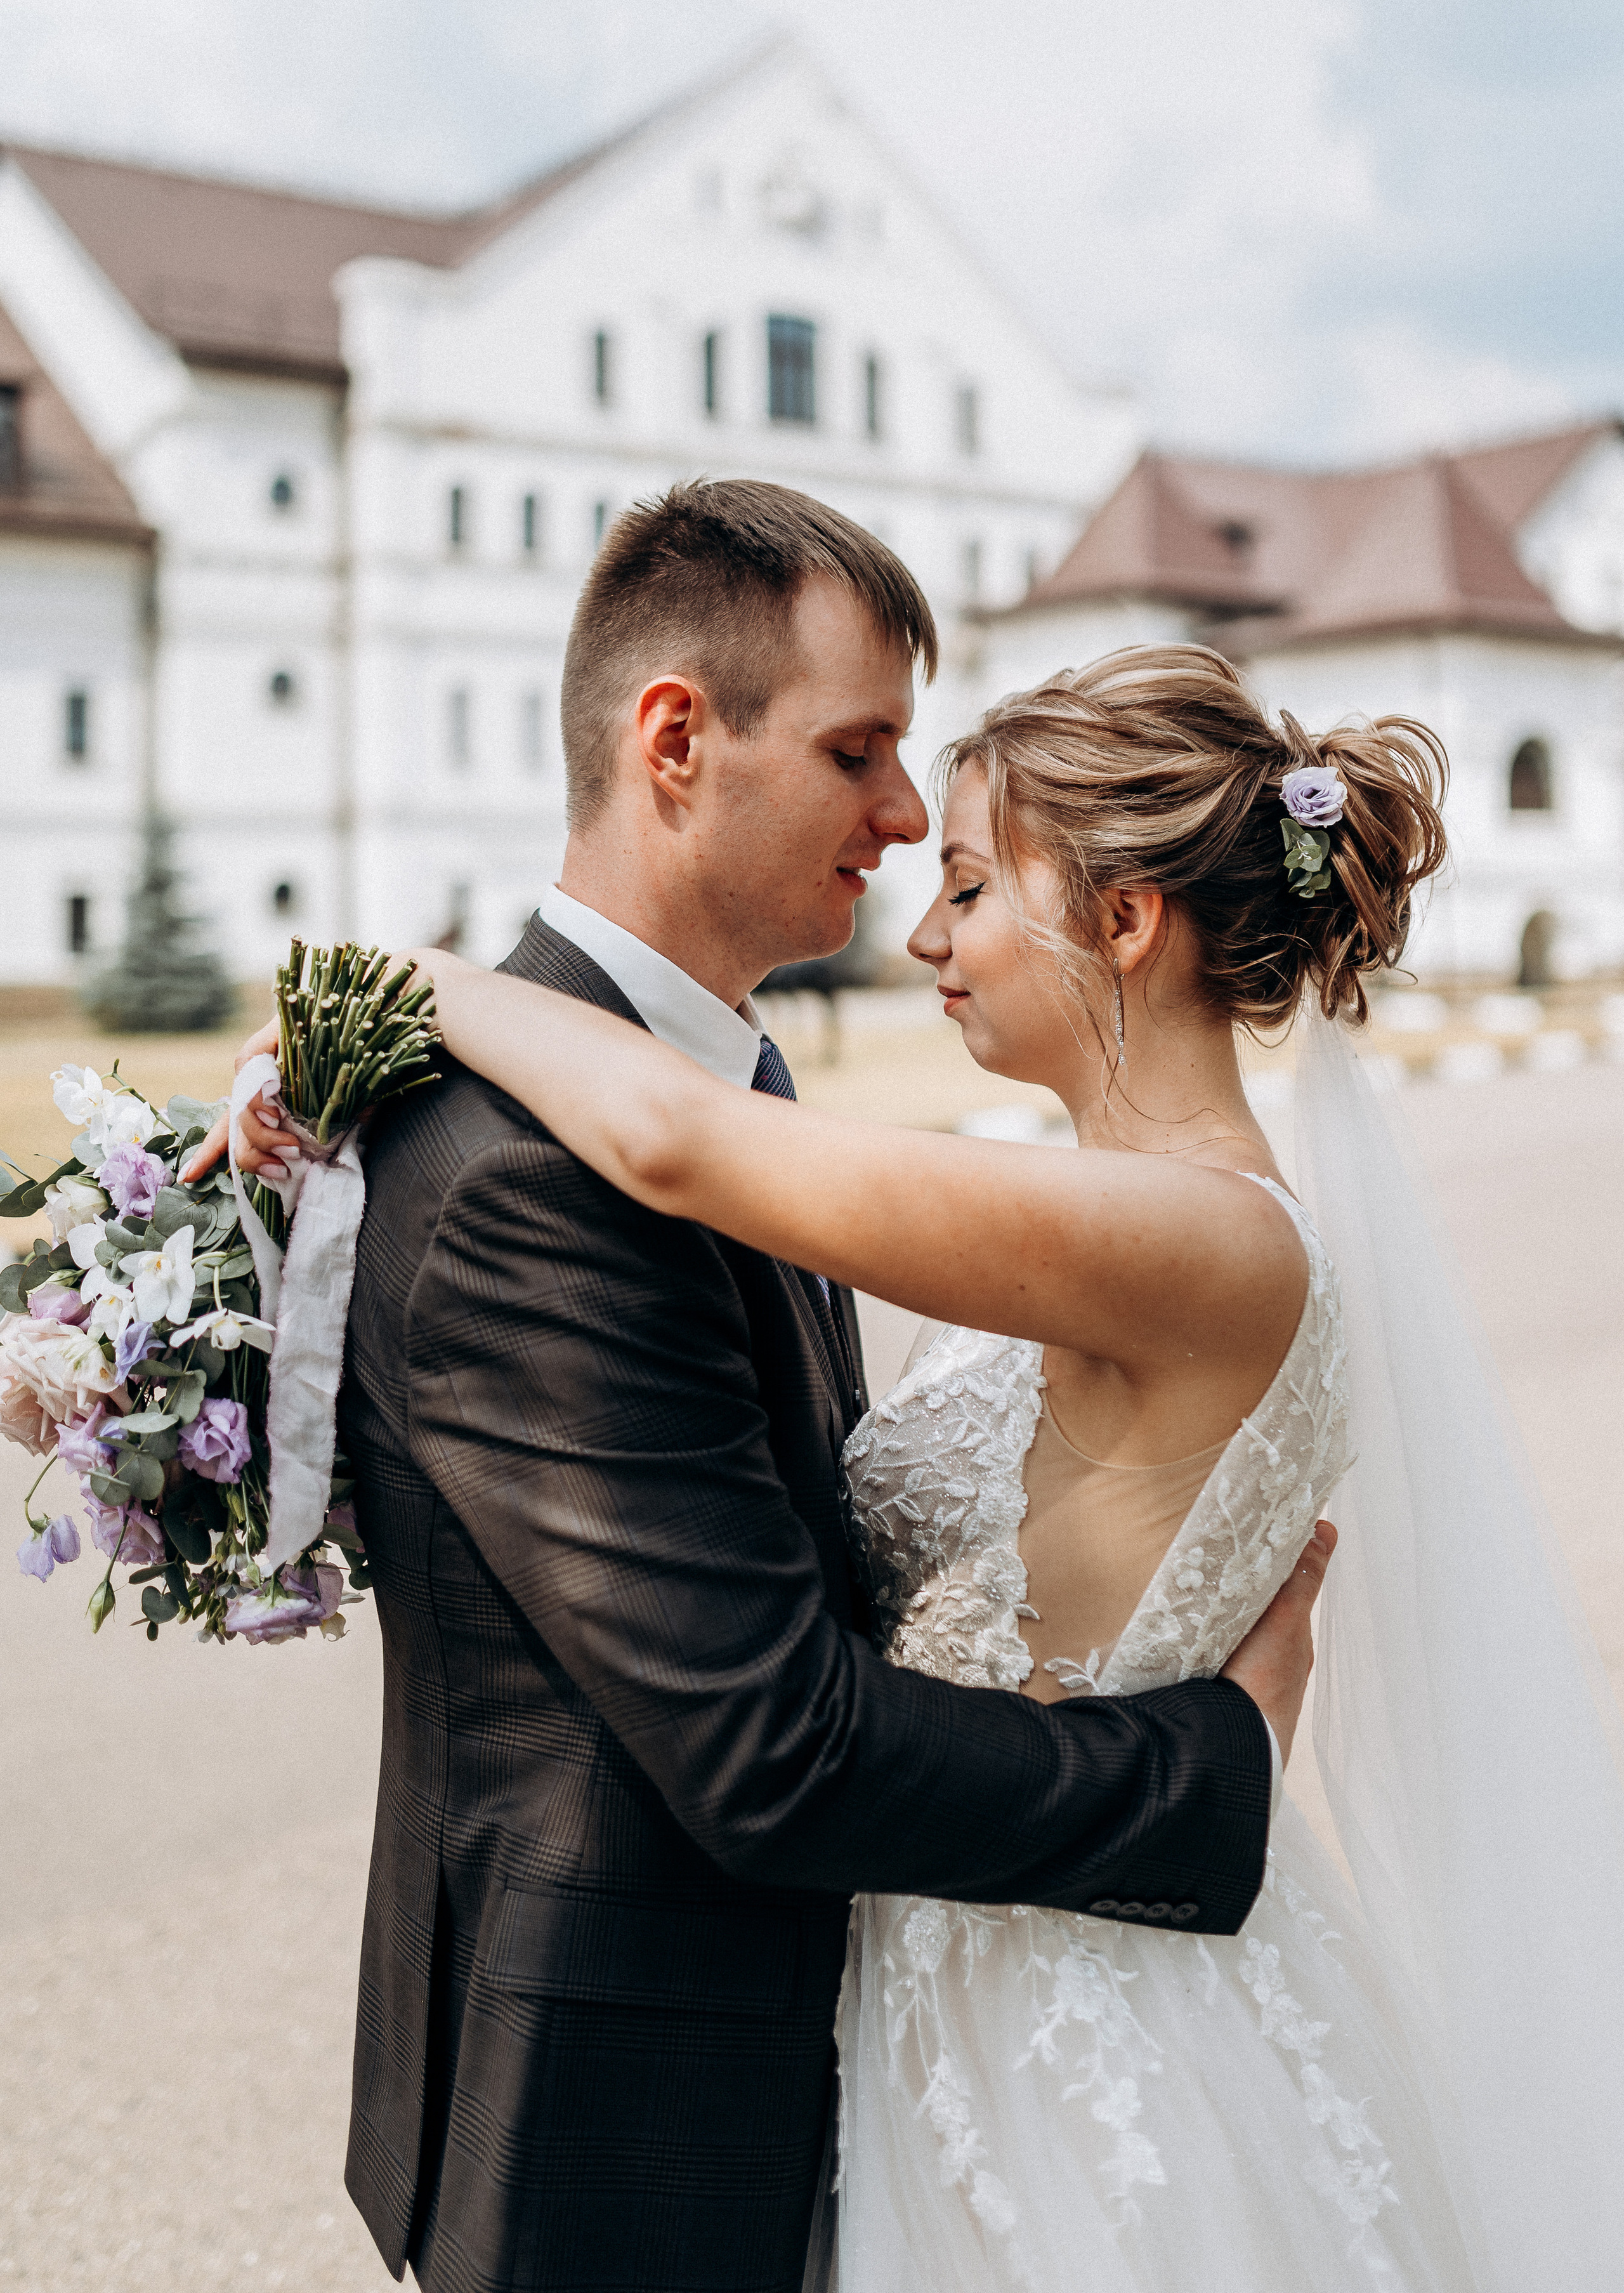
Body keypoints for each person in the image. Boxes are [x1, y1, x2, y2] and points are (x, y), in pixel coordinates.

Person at [231, 639, 1493, 2288]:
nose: (924, 931)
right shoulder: (1081, 1207)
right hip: (941, 1981)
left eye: (969, 886)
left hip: (1092, 2030)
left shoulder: (1192, 1235)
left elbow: (678, 1142)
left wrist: (407, 978)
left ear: (1124, 921)